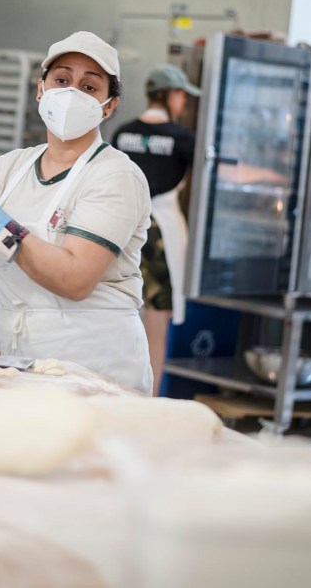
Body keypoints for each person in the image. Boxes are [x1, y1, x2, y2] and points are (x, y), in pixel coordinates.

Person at [0, 32, 155, 393]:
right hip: (15, 355)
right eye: (62, 80)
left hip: (91, 363)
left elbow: (75, 280)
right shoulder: (12, 166)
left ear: (109, 106)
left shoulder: (116, 175)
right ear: (41, 89)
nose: (71, 94)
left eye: (89, 87)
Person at [111, 64, 199, 390]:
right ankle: (147, 401)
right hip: (162, 232)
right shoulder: (183, 138)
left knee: (120, 318)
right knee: (156, 328)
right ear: (171, 95)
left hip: (121, 229)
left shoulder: (122, 133)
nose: (184, 103)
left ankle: (115, 394)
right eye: (182, 96)